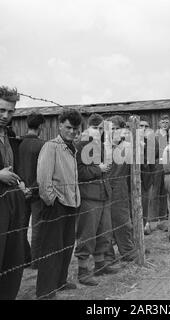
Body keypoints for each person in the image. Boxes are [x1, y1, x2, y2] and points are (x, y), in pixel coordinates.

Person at [0, 86, 26, 300]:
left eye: (10, 111)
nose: (5, 116)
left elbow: (12, 167)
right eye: (1, 110)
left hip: (13, 207)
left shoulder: (9, 134)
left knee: (12, 261)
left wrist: (19, 182)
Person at [36, 109, 82, 299]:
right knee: (51, 247)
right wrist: (52, 200)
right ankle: (46, 290)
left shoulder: (72, 148)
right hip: (56, 204)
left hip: (71, 202)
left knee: (66, 245)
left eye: (75, 129)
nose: (72, 131)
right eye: (69, 127)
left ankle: (60, 281)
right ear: (60, 125)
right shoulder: (51, 146)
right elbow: (43, 178)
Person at [74, 114, 118, 287]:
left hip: (103, 195)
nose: (99, 132)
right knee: (87, 234)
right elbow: (79, 173)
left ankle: (100, 265)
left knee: (105, 231)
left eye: (101, 129)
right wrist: (97, 169)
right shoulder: (79, 146)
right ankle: (83, 271)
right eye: (96, 128)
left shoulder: (100, 147)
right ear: (88, 128)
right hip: (88, 196)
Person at [104, 115, 137, 263]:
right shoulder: (101, 146)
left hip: (120, 185)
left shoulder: (127, 146)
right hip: (103, 187)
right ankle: (108, 255)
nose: (113, 132)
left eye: (116, 129)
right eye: (111, 129)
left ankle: (128, 250)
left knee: (123, 220)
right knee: (104, 223)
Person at [18, 112, 45, 268]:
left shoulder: (17, 143)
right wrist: (33, 188)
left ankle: (24, 258)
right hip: (37, 193)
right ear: (40, 126)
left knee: (20, 228)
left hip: (19, 191)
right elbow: (43, 171)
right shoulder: (43, 145)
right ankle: (36, 262)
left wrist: (22, 187)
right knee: (37, 228)